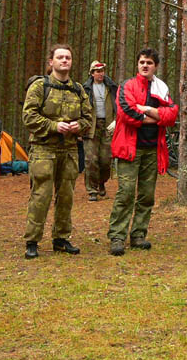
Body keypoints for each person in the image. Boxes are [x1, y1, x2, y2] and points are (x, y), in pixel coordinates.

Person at [22, 44, 92, 259]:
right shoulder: (39, 87)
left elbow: (89, 118)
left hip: (69, 150)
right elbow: (29, 117)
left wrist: (78, 126)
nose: (64, 61)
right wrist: (54, 126)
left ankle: (61, 239)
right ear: (50, 62)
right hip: (44, 149)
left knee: (66, 196)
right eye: (60, 57)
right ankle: (32, 241)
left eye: (68, 58)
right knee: (41, 195)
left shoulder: (78, 90)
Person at [107, 49, 178, 256]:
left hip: (152, 149)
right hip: (129, 148)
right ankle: (117, 236)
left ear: (155, 66)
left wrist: (146, 109)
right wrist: (157, 117)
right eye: (142, 62)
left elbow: (172, 114)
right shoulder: (127, 86)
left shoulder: (161, 88)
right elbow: (127, 114)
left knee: (146, 195)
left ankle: (138, 234)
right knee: (126, 193)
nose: (145, 65)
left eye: (149, 63)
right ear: (137, 65)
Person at [82, 60, 117, 202]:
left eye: (102, 70)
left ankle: (101, 182)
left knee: (105, 160)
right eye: (97, 71)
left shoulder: (112, 87)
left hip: (108, 126)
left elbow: (119, 105)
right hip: (90, 127)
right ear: (92, 73)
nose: (100, 73)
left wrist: (116, 121)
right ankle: (92, 190)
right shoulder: (85, 89)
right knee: (91, 160)